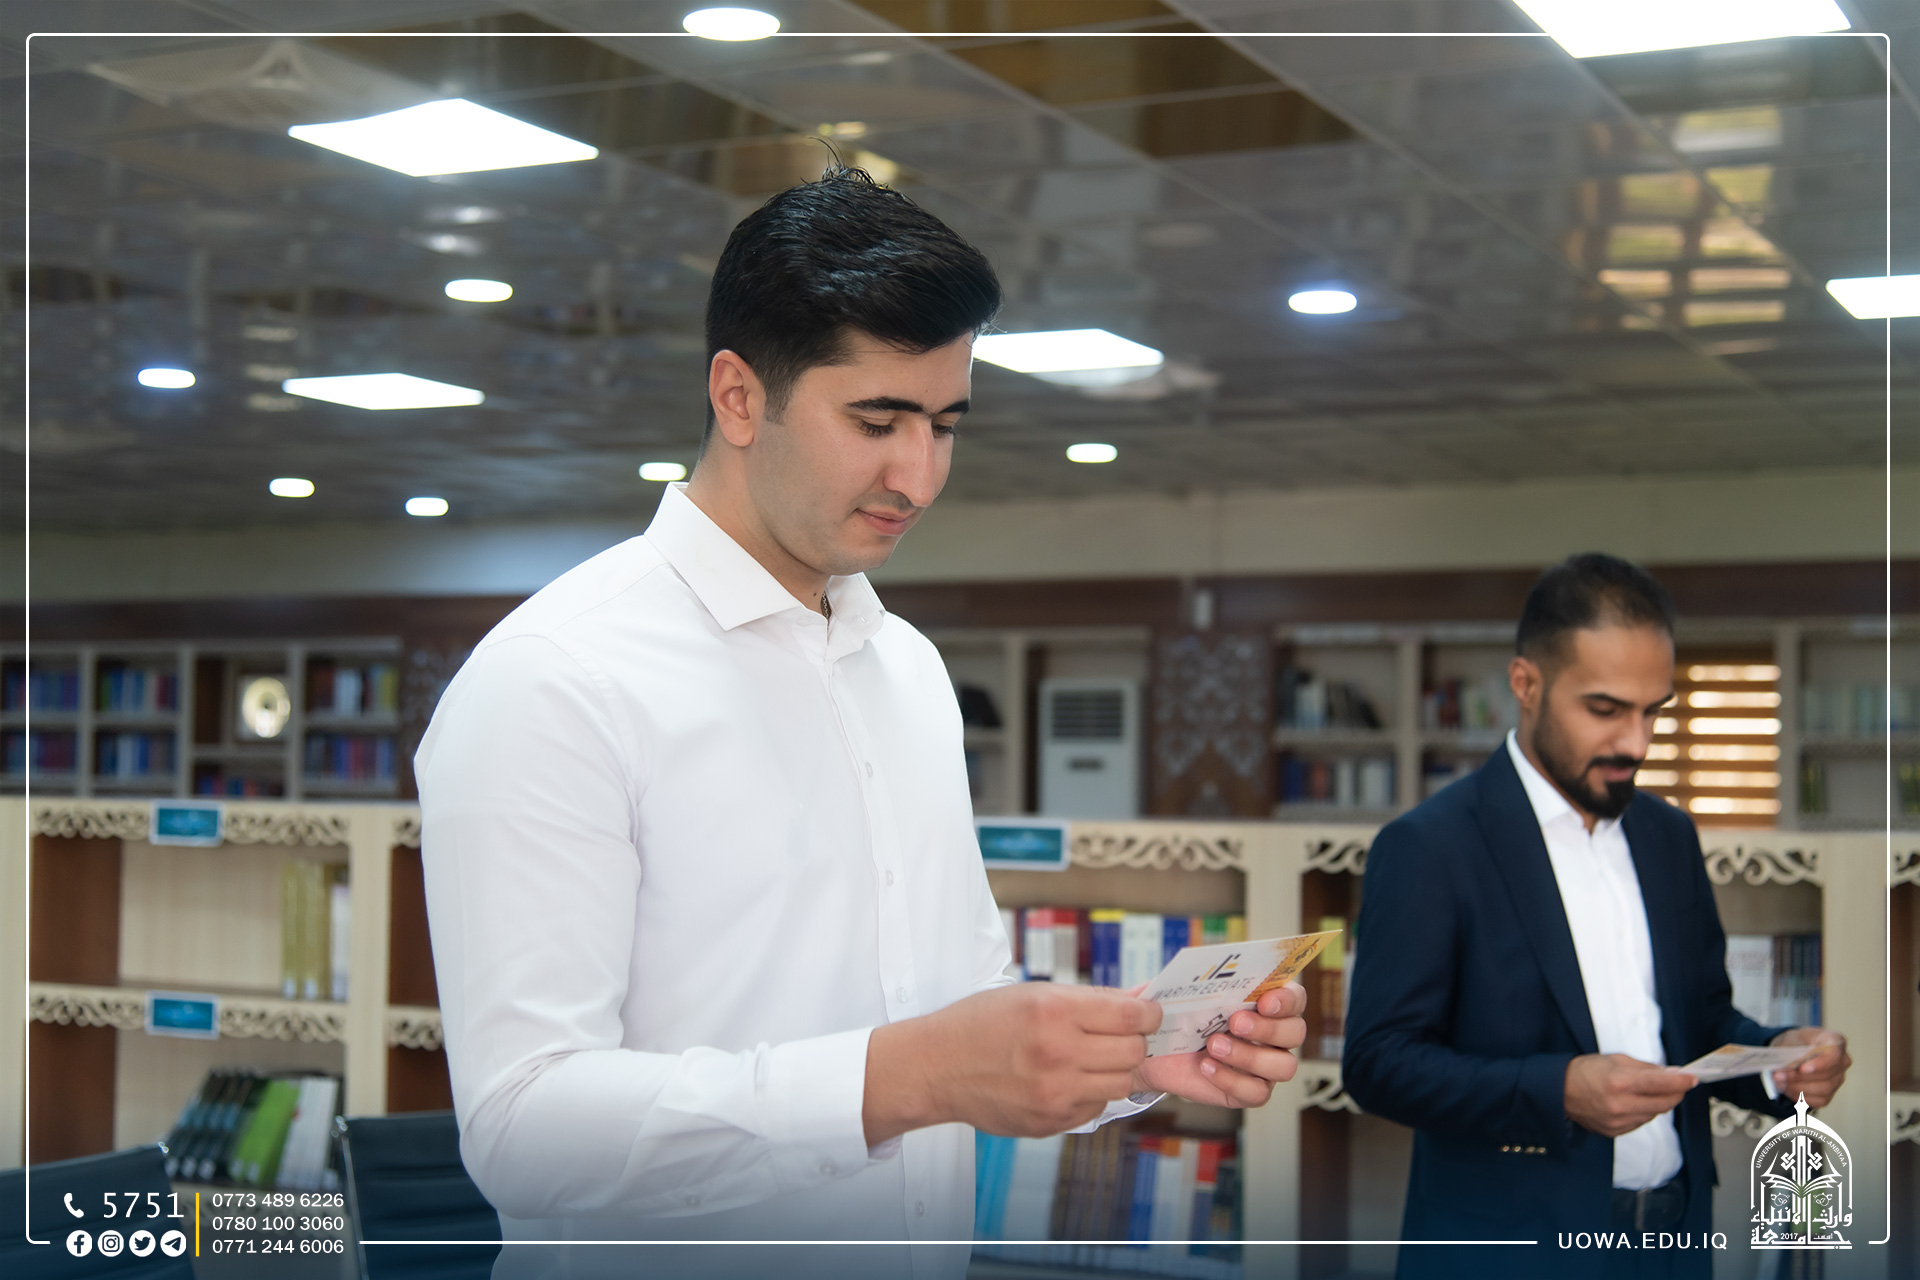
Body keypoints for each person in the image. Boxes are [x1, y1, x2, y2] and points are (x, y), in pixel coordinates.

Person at [413, 166, 1309, 1280]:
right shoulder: (555, 678)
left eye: (944, 425)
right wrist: (910, 1076)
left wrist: (1132, 1054)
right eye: (877, 420)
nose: (918, 476)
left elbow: (957, 1006)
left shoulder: (909, 670)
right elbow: (523, 1130)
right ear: (739, 397)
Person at [1342, 553, 1850, 1280]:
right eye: (1606, 710)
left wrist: (1776, 1064)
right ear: (1526, 684)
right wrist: (1559, 1091)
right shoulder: (1430, 846)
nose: (1636, 744)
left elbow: (1700, 1021)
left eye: (1653, 712)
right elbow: (1378, 1063)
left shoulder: (1669, 837)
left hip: (1673, 1243)